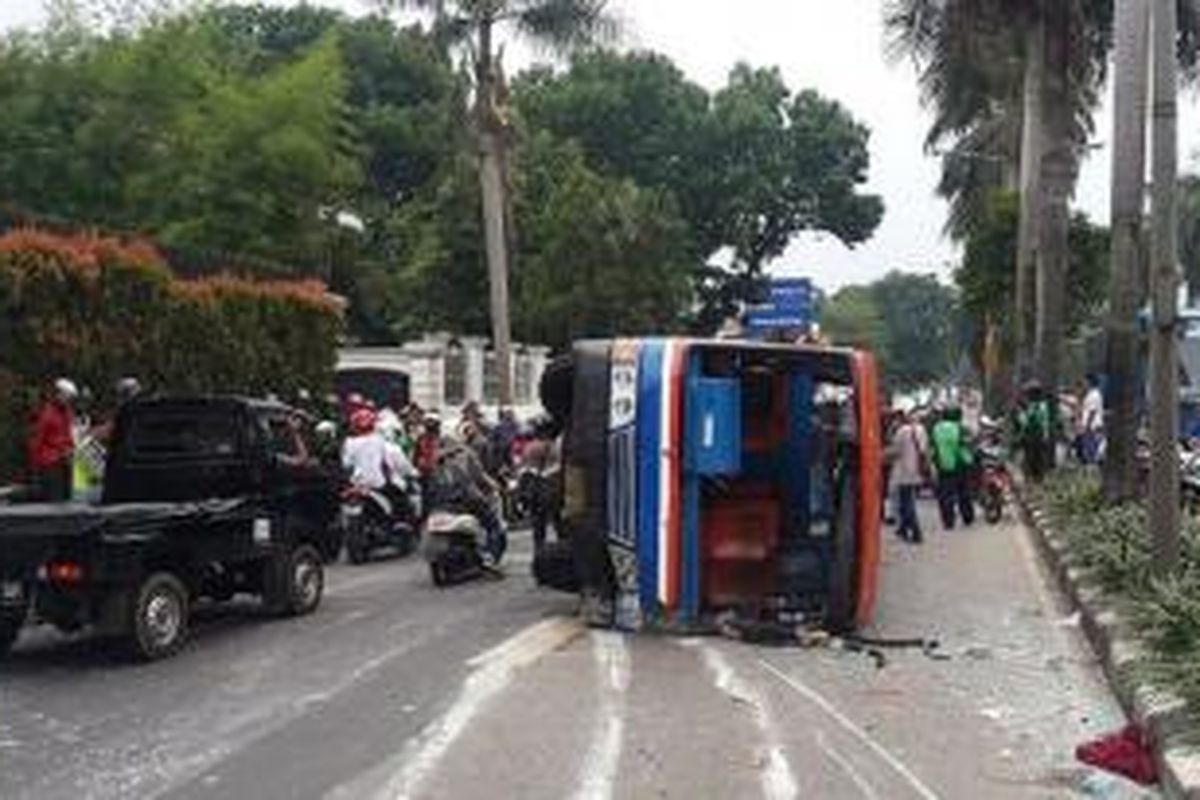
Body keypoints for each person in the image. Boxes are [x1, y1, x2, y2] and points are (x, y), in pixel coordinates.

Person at [428, 439, 507, 564]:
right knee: (493, 524)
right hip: (461, 506)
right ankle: (490, 556)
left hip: (440, 508)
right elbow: (472, 489)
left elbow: (430, 495)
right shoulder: (460, 468)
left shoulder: (435, 473)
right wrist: (483, 499)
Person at [341, 408, 418, 512]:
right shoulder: (384, 444)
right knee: (402, 509)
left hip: (357, 485)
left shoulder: (348, 443)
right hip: (380, 485)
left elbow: (346, 465)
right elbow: (403, 466)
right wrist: (413, 473)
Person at [27, 379, 78, 502]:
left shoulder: (67, 413)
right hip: (50, 462)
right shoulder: (46, 414)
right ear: (58, 394)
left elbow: (68, 435)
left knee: (66, 495)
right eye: (66, 396)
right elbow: (36, 440)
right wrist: (34, 466)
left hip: (64, 461)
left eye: (70, 398)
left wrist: (71, 448)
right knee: (54, 498)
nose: (68, 400)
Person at [889, 409, 930, 543]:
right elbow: (924, 450)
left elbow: (895, 451)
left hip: (904, 471)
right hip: (917, 470)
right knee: (906, 501)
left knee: (906, 503)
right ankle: (903, 529)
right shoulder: (922, 430)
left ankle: (916, 532)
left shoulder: (902, 431)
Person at [931, 406, 975, 530]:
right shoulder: (961, 428)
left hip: (943, 465)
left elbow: (933, 446)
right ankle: (967, 517)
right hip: (960, 463)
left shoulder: (936, 428)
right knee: (964, 492)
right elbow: (966, 444)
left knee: (945, 494)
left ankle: (948, 521)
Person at [1015, 381, 1056, 483]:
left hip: (1035, 436)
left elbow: (1037, 422)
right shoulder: (1037, 406)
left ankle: (1034, 480)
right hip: (1035, 437)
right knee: (1033, 460)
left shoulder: (1038, 407)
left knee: (1033, 460)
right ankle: (1034, 479)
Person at [1078, 374, 1104, 465]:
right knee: (1088, 449)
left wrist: (1087, 427)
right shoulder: (1089, 395)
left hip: (1092, 427)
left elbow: (1092, 412)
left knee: (1091, 450)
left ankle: (1092, 468)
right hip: (1089, 427)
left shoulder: (1094, 395)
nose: (1084, 384)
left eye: (1085, 382)